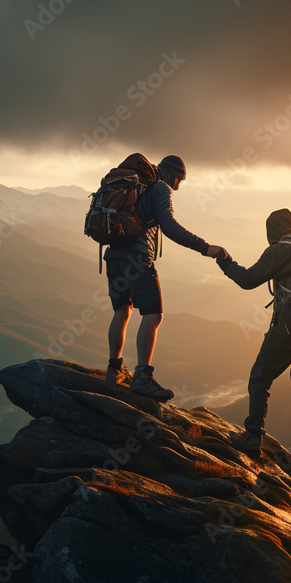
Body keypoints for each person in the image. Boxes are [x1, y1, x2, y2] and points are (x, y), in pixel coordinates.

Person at [216, 208, 291, 478]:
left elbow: (247, 280)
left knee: (259, 377)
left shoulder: (280, 250)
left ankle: (252, 438)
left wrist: (224, 261)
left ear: (271, 231)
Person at [104, 155, 228, 401]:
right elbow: (169, 226)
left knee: (122, 310)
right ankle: (142, 377)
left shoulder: (130, 184)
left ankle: (114, 368)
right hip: (138, 259)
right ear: (173, 176)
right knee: (153, 314)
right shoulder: (159, 188)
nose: (177, 187)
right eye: (178, 181)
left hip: (113, 256)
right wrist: (205, 248)